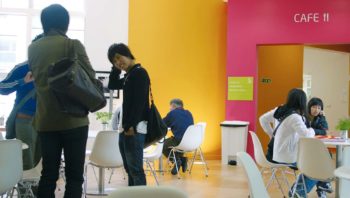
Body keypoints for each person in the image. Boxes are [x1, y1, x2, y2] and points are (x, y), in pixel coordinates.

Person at [28, 4, 95, 197]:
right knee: (74, 176)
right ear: (65, 23)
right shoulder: (72, 45)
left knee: (48, 174)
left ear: (44, 24)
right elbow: (90, 76)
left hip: (46, 120)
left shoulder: (33, 48)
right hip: (74, 120)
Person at [259, 88, 318, 197]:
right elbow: (306, 134)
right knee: (317, 166)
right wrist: (313, 130)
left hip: (275, 154)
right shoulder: (295, 117)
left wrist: (271, 134)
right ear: (302, 102)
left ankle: (301, 190)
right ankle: (298, 192)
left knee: (314, 162)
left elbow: (262, 119)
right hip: (287, 157)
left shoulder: (279, 109)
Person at [107, 43, 150, 186]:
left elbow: (139, 102)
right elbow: (112, 85)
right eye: (114, 61)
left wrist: (131, 125)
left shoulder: (140, 73)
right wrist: (115, 68)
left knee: (136, 170)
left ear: (128, 53)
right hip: (125, 128)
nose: (119, 63)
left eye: (119, 57)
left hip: (134, 128)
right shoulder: (130, 75)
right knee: (130, 169)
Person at [0, 34, 44, 171]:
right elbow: (2, 88)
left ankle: (38, 192)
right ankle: (26, 193)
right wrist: (22, 81)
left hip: (47, 121)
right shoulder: (22, 68)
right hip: (25, 121)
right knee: (26, 162)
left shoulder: (55, 69)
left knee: (42, 163)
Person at [307, 97, 332, 197]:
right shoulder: (304, 117)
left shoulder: (319, 118)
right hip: (305, 147)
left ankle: (322, 187)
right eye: (314, 107)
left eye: (318, 107)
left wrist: (323, 118)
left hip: (314, 147)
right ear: (309, 107)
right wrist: (315, 131)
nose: (316, 110)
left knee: (326, 155)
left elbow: (325, 131)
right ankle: (323, 186)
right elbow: (306, 131)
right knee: (322, 159)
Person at [162, 98, 194, 175]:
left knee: (163, 145)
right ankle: (181, 160)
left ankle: (177, 160)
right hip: (191, 142)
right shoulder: (189, 113)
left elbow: (162, 124)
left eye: (170, 106)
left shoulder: (172, 113)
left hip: (179, 141)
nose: (169, 108)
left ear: (173, 106)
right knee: (175, 142)